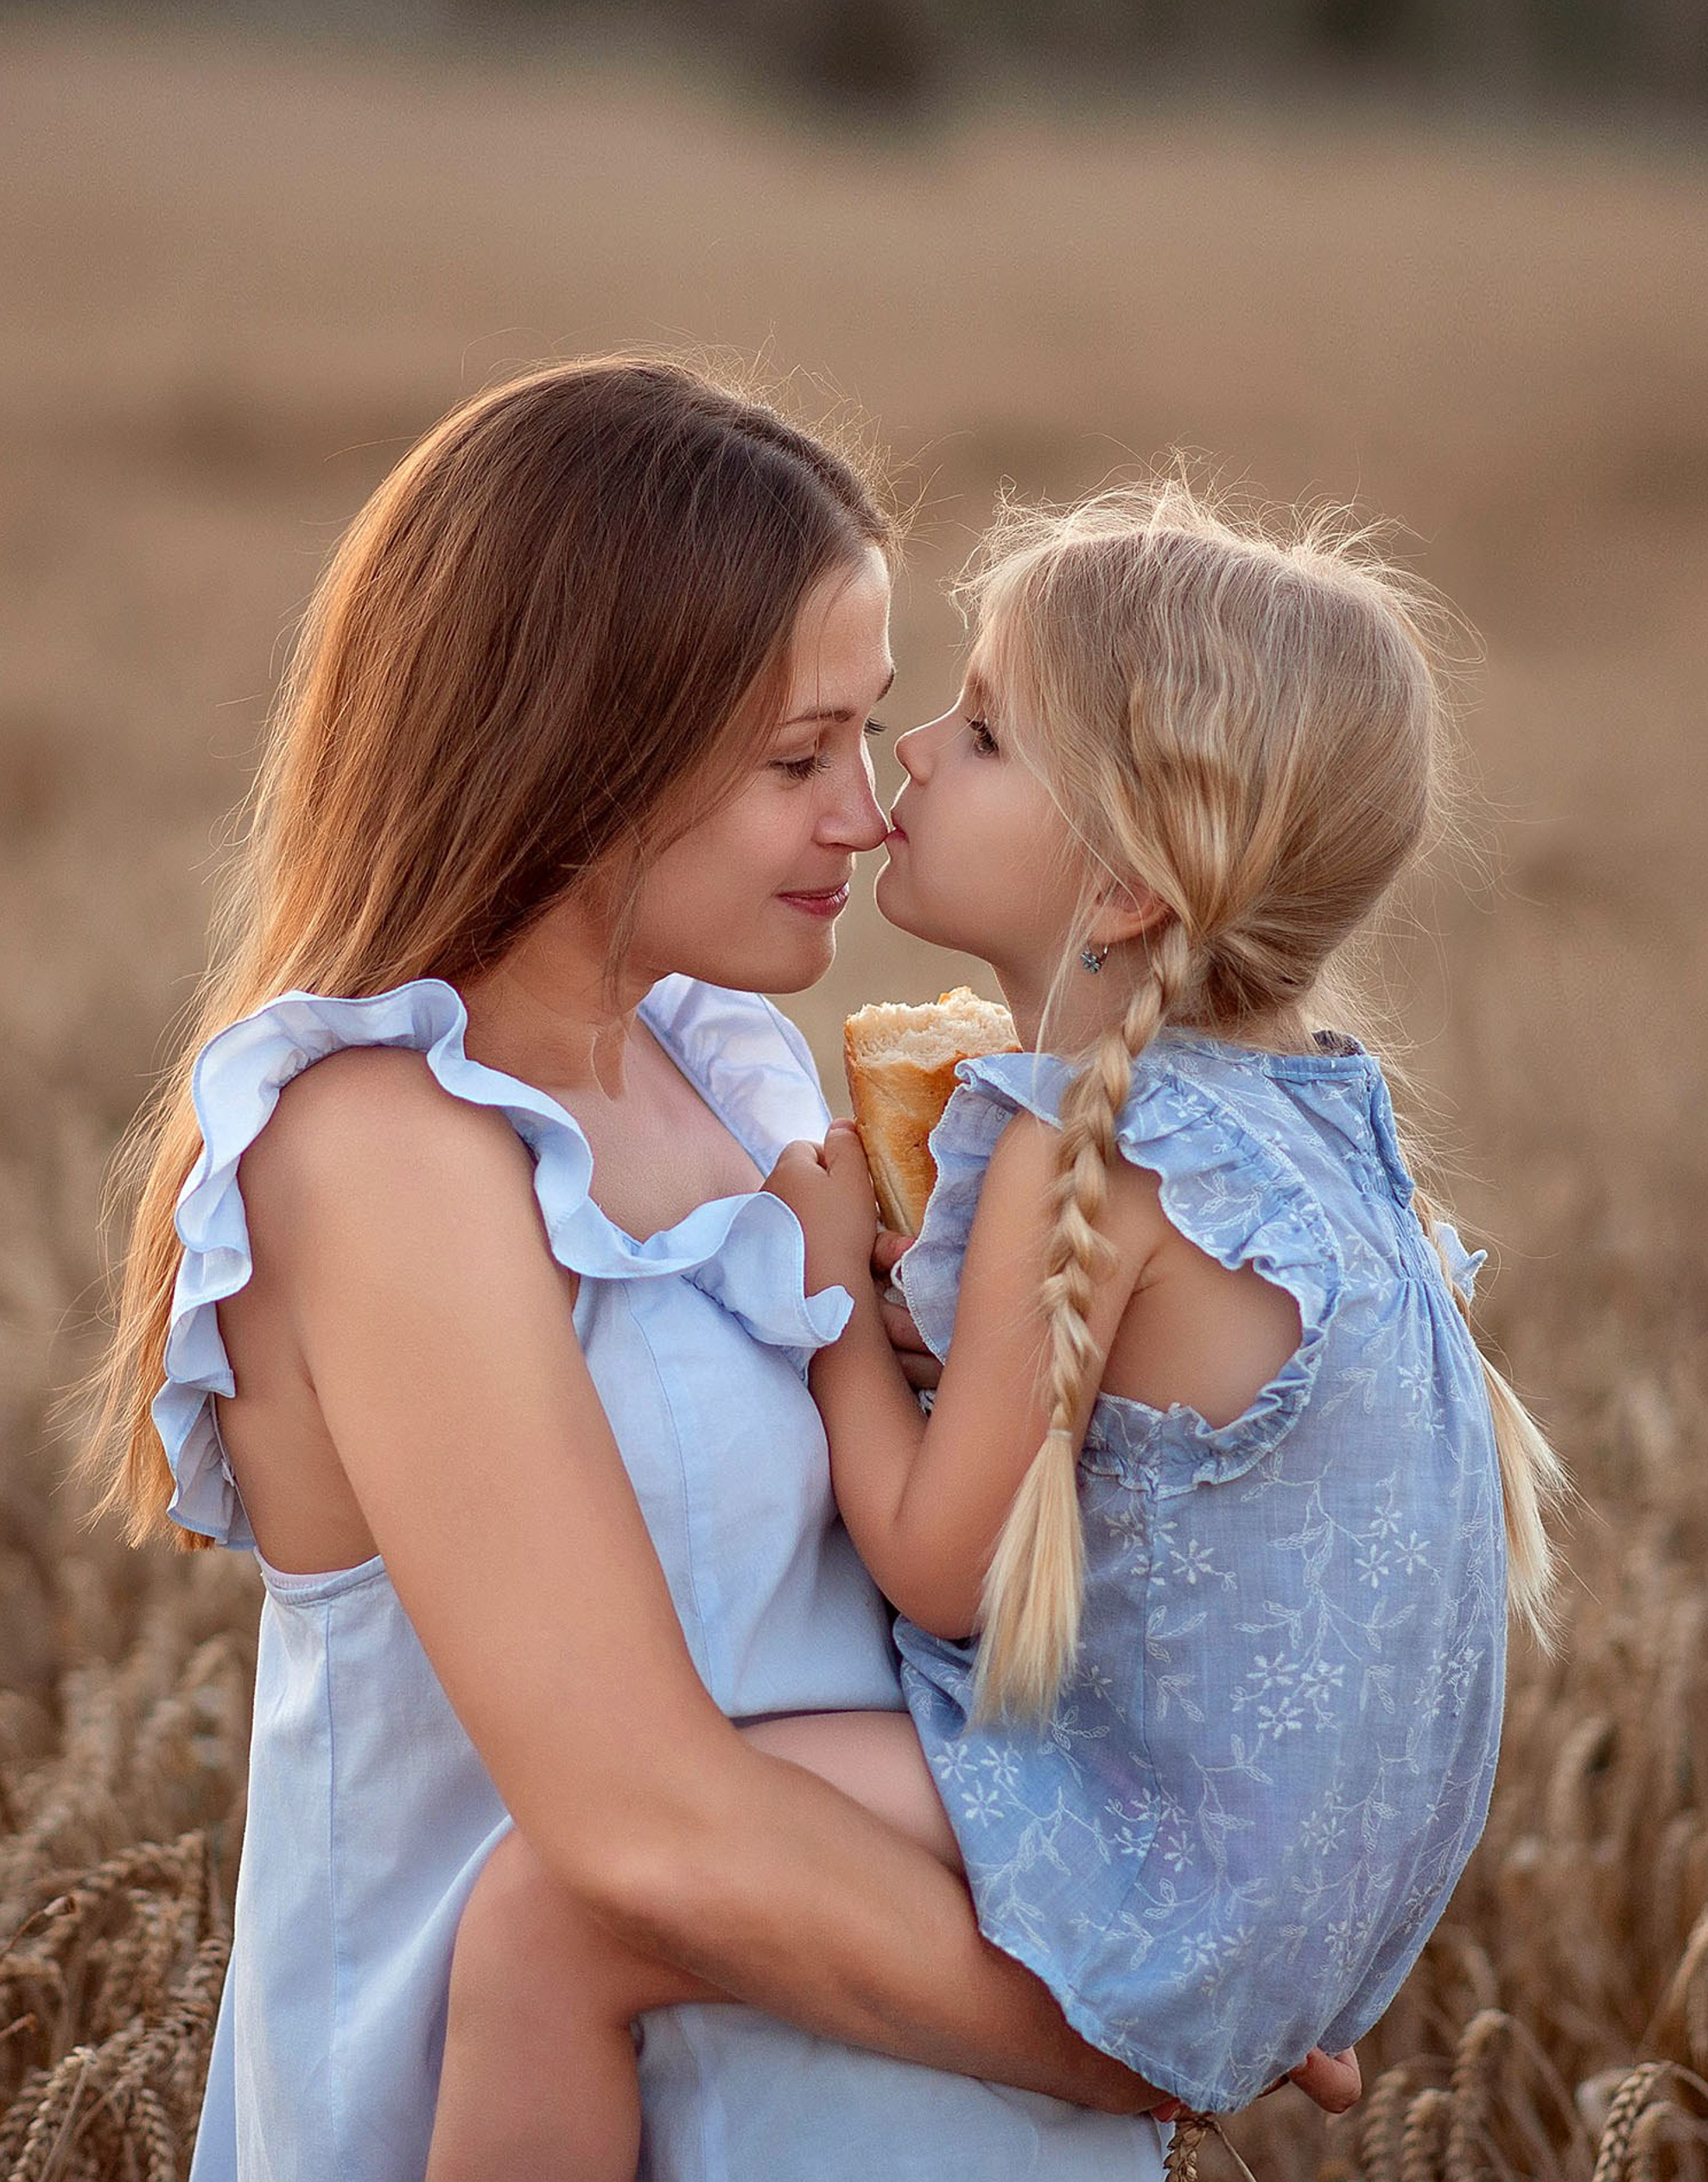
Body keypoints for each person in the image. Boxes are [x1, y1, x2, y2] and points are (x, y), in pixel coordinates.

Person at [88, 355, 1299, 2180]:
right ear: (571, 745)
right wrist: (1143, 2023)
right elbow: (640, 1824)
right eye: (793, 758)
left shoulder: (740, 1084)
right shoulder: (379, 1152)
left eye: (866, 738)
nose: (868, 813)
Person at [427, 481, 1569, 2178]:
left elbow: (938, 1566)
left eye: (975, 733)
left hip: (1155, 1858)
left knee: (559, 1904)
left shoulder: (1074, 1150)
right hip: (1317, 1901)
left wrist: (824, 1293)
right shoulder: (1326, 1124)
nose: (904, 762)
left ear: (1116, 884)